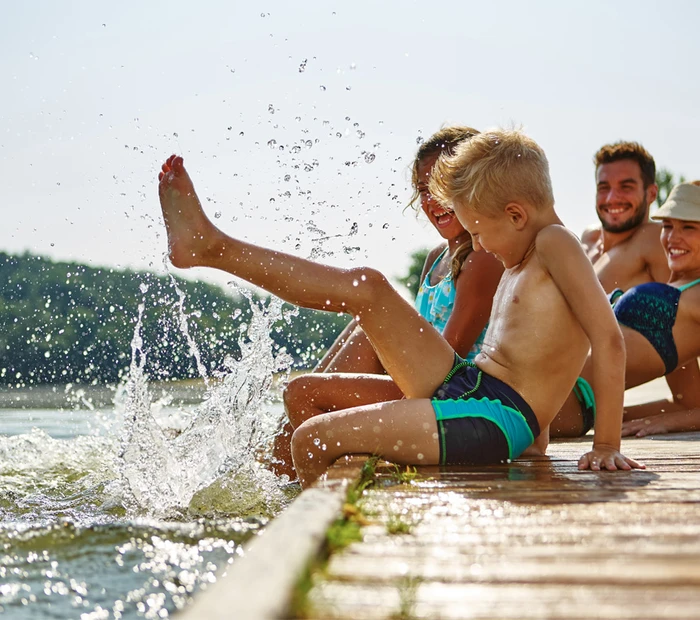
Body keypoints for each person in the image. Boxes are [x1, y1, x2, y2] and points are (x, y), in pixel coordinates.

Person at [157, 128, 643, 488]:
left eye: (478, 231)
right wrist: (537, 440)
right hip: (473, 385)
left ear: (515, 214)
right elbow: (536, 349)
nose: (478, 244)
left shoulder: (556, 243)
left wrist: (605, 446)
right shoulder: (525, 252)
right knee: (369, 287)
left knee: (311, 439)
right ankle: (211, 247)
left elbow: (607, 338)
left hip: (495, 415)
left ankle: (307, 554)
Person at [273, 127, 504, 478]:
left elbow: (448, 362)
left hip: (455, 398)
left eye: (445, 185)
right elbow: (412, 342)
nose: (432, 200)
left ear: (476, 184)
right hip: (425, 386)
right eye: (424, 190)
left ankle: (301, 492)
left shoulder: (482, 258)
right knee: (362, 327)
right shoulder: (435, 259)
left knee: (303, 391)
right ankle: (277, 476)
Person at [551, 141, 700, 437]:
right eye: (668, 226)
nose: (671, 237)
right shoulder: (588, 242)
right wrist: (613, 416)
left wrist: (679, 418)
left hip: (557, 398)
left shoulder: (652, 246)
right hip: (554, 388)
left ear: (650, 193)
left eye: (689, 227)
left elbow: (673, 342)